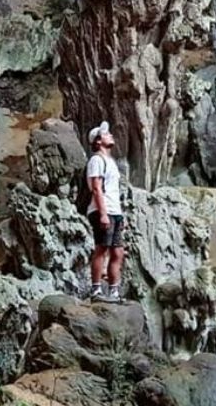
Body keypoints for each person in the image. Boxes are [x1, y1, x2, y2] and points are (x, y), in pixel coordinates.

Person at [85, 120, 123, 302]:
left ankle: (114, 291)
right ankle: (96, 289)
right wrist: (103, 213)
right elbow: (96, 188)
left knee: (117, 252)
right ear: (98, 141)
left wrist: (118, 214)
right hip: (103, 209)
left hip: (115, 210)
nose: (111, 135)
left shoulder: (111, 162)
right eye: (106, 134)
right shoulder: (96, 160)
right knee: (102, 248)